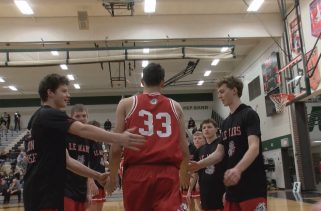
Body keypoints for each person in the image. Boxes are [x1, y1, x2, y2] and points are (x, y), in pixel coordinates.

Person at [23, 73, 145, 211]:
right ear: (50, 92)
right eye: (63, 91)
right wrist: (119, 138)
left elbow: (68, 161)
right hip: (45, 194)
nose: (68, 95)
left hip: (40, 192)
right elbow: (83, 129)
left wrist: (96, 175)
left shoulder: (37, 119)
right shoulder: (49, 115)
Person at [107, 63, 190, 211]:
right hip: (167, 173)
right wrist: (184, 173)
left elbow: (115, 147)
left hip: (136, 174)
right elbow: (183, 147)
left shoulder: (126, 104)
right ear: (162, 82)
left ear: (142, 81)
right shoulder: (176, 106)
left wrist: (112, 177)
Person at [189, 76, 267, 211]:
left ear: (234, 91)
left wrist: (238, 169)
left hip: (252, 185)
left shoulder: (249, 114)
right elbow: (219, 153)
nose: (219, 96)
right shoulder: (225, 123)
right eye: (218, 92)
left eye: (222, 91)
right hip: (232, 188)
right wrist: (198, 165)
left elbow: (254, 147)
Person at [64, 104, 96, 211]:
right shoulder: (64, 135)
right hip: (65, 189)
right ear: (71, 118)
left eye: (84, 116)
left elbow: (85, 166)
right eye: (77, 116)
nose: (81, 119)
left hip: (81, 189)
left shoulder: (88, 139)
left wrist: (88, 192)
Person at [193, 119, 225, 211]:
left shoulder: (222, 144)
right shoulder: (199, 150)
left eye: (209, 127)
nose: (206, 129)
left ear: (216, 129)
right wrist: (198, 182)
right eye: (204, 128)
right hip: (206, 189)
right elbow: (197, 169)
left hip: (221, 187)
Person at [87, 120, 106, 211]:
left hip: (101, 182)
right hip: (93, 182)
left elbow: (101, 162)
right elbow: (86, 164)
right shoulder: (87, 144)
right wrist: (91, 182)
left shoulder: (98, 144)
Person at [184, 131, 205, 211]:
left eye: (199, 138)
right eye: (195, 138)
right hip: (188, 178)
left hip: (200, 179)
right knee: (189, 201)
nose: (197, 140)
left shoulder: (196, 149)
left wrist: (198, 181)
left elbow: (199, 169)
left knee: (199, 202)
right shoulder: (187, 149)